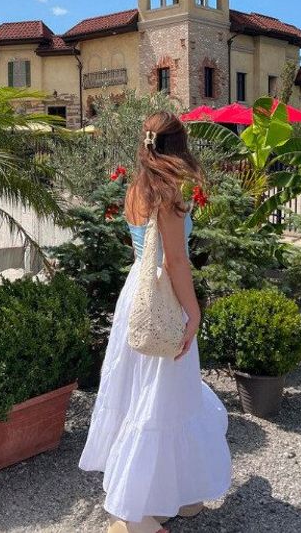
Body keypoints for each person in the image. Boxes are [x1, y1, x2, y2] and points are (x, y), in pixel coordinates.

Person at [78, 112, 231, 533]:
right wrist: (194, 311)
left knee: (147, 393)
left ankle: (177, 493)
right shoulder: (170, 196)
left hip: (138, 296)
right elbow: (176, 260)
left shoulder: (135, 190)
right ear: (178, 146)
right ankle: (137, 515)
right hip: (164, 299)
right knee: (164, 396)